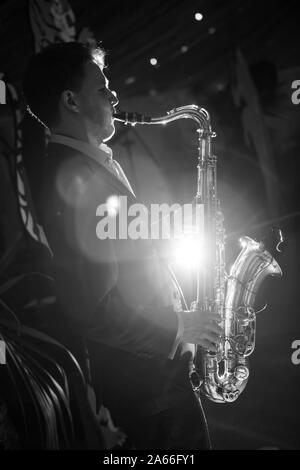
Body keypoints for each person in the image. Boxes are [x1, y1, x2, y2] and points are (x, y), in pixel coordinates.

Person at [22, 41, 222, 449]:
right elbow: (92, 311)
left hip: (154, 383)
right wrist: (179, 326)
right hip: (147, 394)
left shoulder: (87, 167)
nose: (114, 95)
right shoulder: (75, 180)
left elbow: (121, 259)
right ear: (70, 101)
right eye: (102, 88)